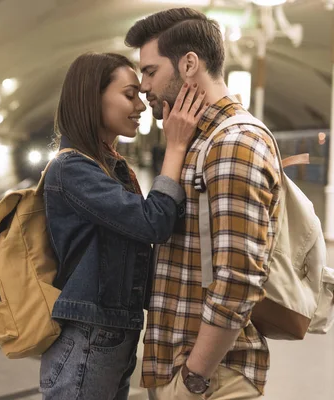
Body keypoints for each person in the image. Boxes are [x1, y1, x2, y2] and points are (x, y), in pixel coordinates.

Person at [125, 8, 282, 400]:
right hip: (185, 367)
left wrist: (194, 378)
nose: (144, 87)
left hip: (211, 379)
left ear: (189, 64)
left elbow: (238, 278)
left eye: (149, 71)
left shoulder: (232, 145)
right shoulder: (200, 141)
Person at [39, 52, 208, 399]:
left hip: (109, 335)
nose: (141, 107)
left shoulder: (109, 167)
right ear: (92, 99)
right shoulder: (72, 170)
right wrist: (175, 146)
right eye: (129, 95)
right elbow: (153, 223)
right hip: (87, 338)